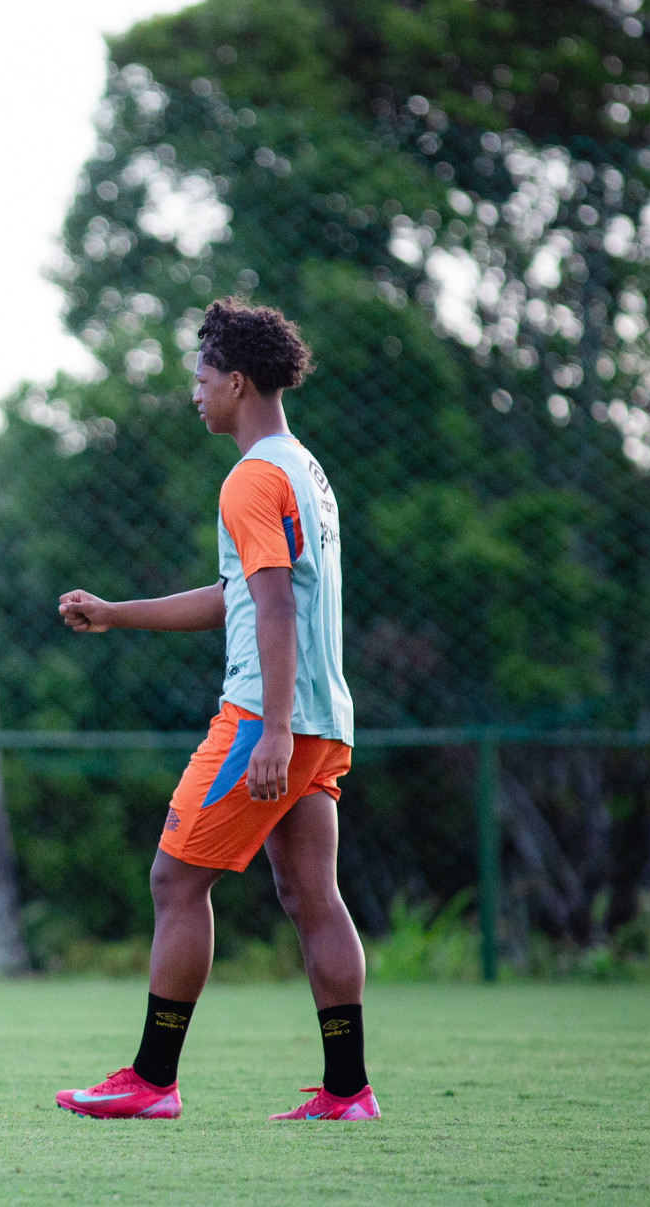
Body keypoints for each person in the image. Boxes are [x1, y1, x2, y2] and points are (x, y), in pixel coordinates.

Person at [53, 297, 378, 1123]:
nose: (194, 394)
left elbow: (273, 610)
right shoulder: (303, 470)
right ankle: (348, 1090)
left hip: (267, 718)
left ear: (236, 381)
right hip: (324, 717)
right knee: (312, 894)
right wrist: (119, 611)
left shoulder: (250, 478)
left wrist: (267, 728)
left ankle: (152, 1078)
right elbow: (243, 593)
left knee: (174, 878)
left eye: (201, 379)